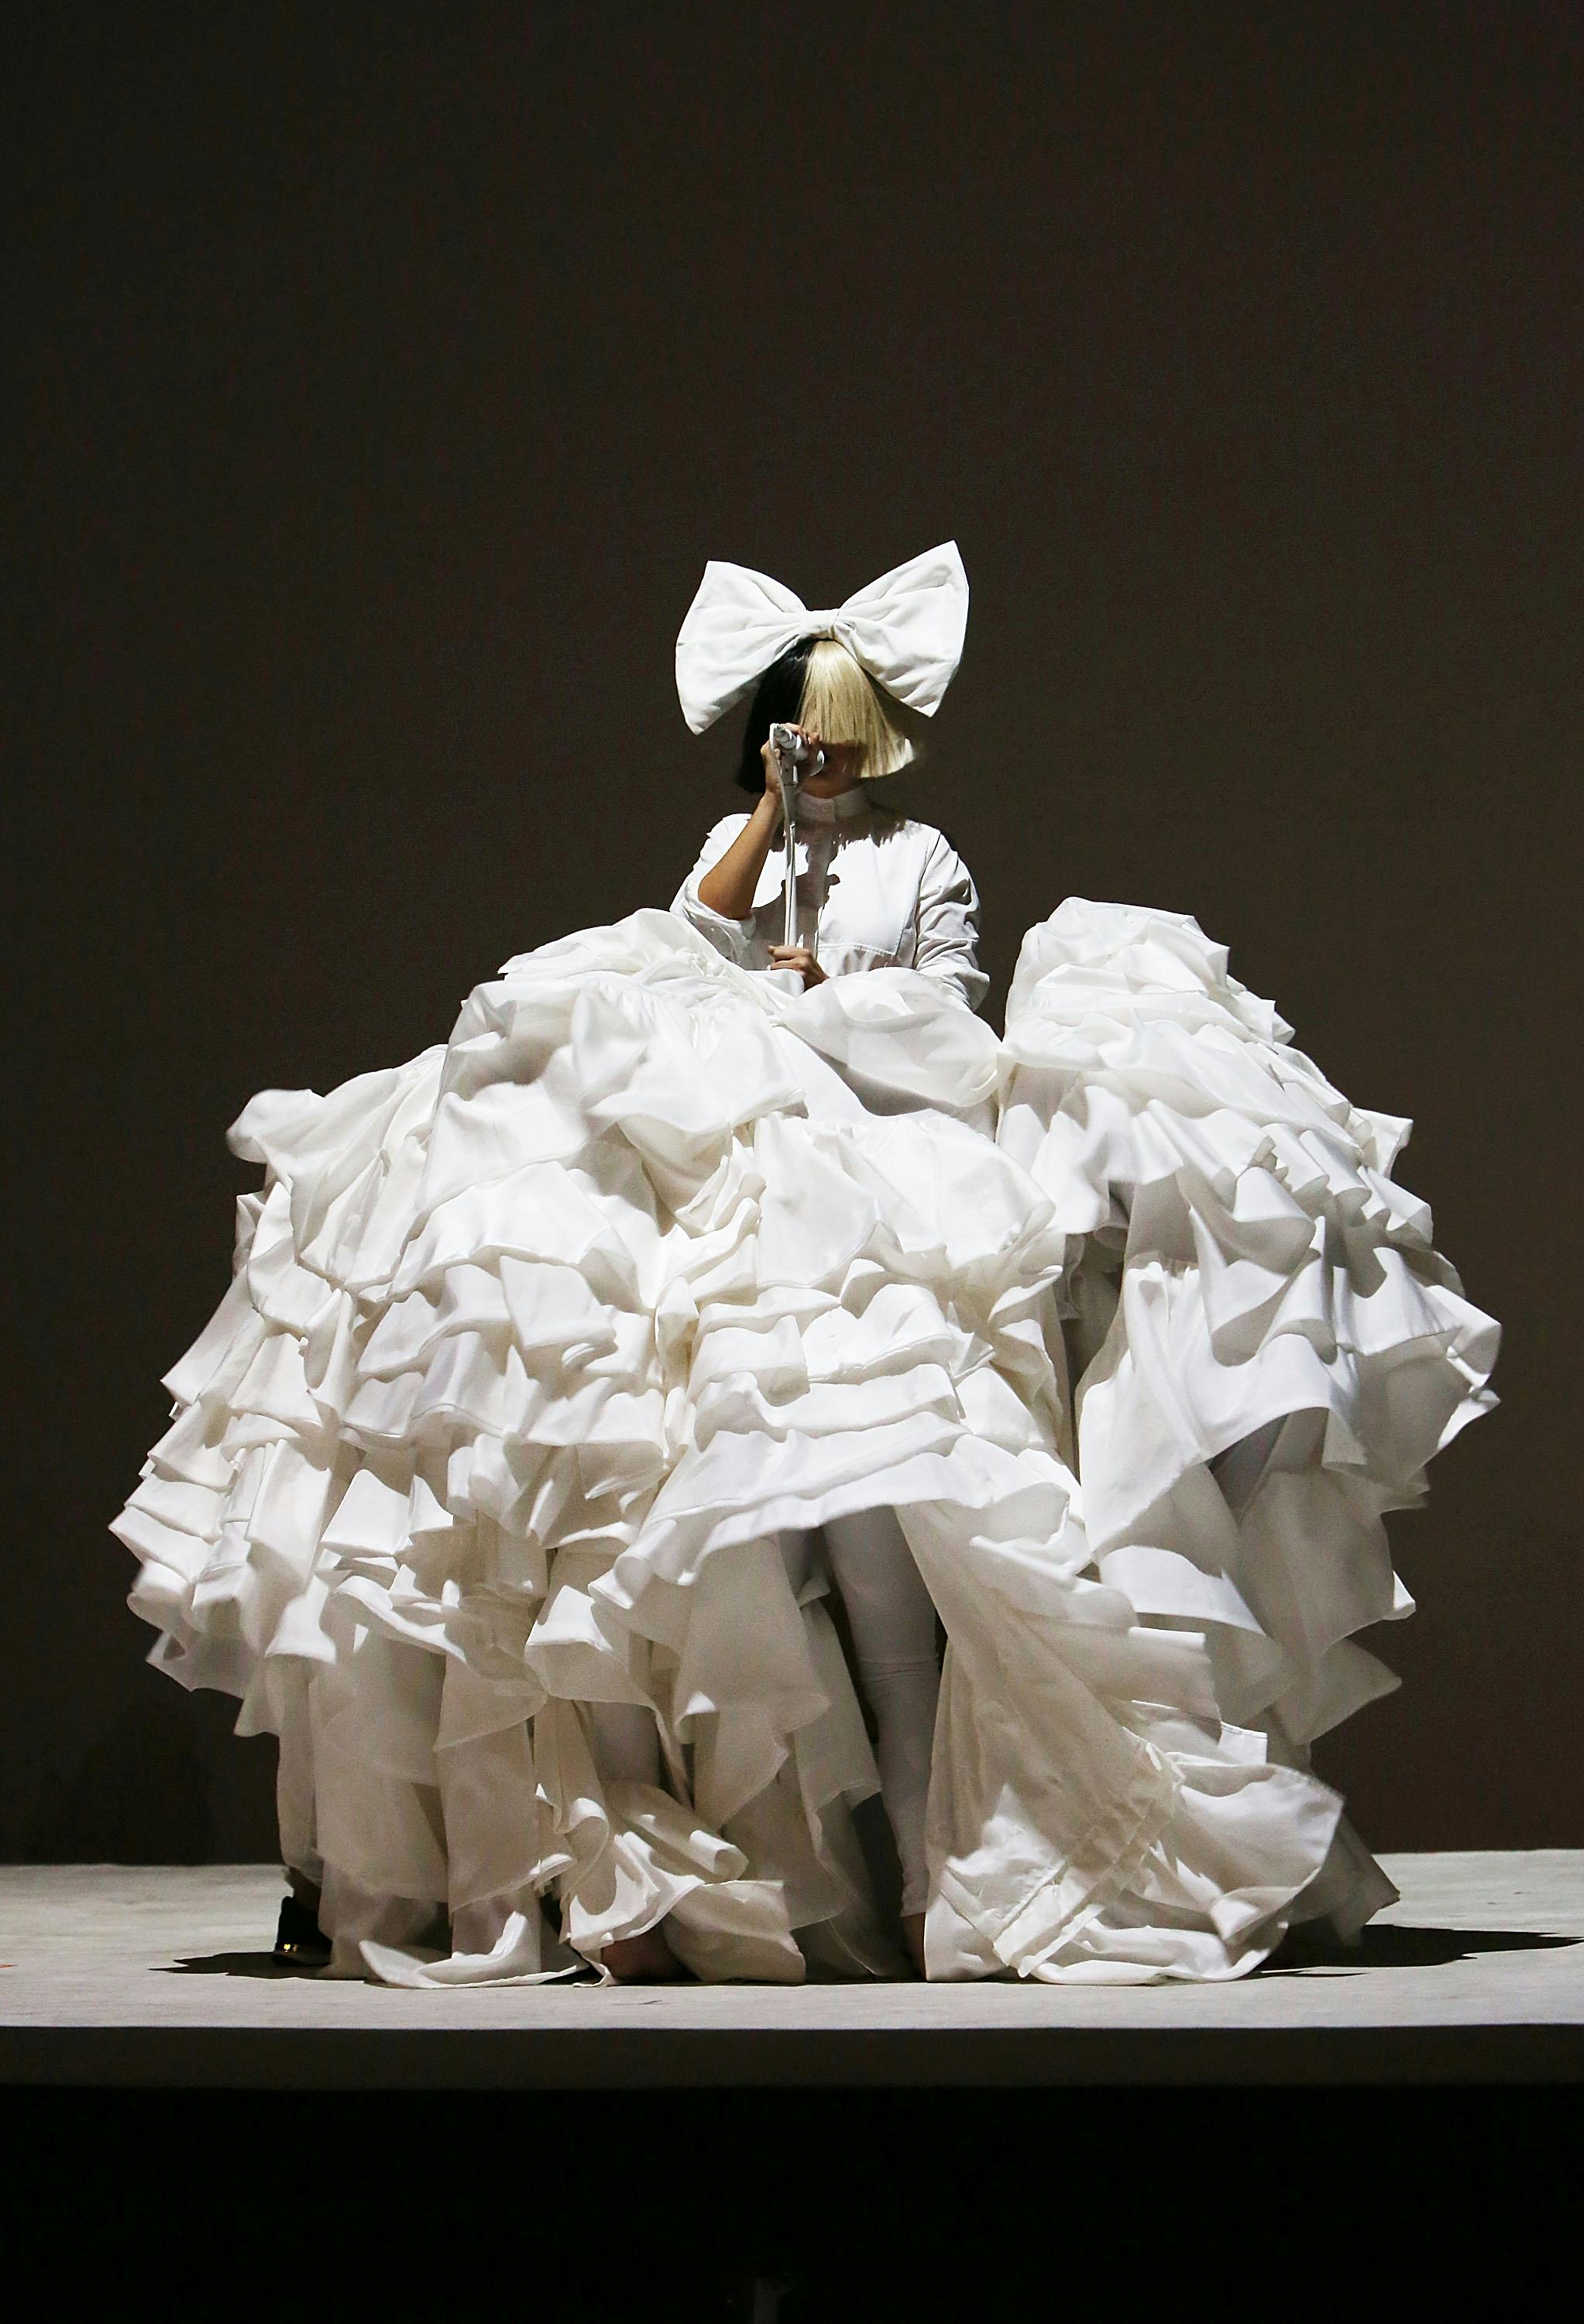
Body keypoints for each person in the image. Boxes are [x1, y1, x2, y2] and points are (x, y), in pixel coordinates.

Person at [113, 543, 1497, 1986]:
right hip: (739, 1142)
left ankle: (935, 1886)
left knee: (892, 1540)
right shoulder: (749, 842)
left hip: (870, 1143)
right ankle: (721, 1855)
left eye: (836, 733)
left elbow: (948, 1007)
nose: (821, 753)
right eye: (797, 731)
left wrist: (834, 992)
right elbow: (692, 930)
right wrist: (768, 824)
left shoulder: (920, 856)